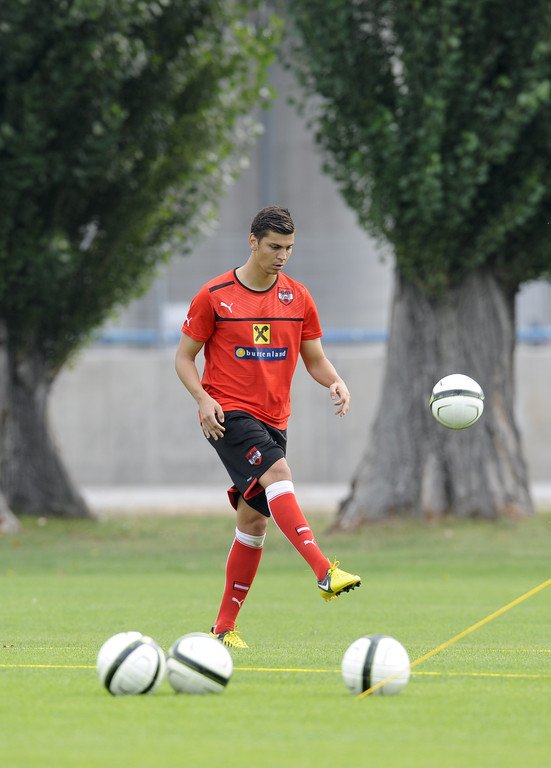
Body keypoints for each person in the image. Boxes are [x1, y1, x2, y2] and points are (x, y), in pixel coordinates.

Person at [175, 205, 361, 649]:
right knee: (279, 473)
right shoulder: (214, 295)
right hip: (228, 415)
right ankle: (324, 571)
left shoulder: (298, 297)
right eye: (275, 246)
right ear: (253, 241)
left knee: (254, 522)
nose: (282, 256)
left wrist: (335, 381)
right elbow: (184, 357)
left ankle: (223, 629)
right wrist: (203, 399)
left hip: (276, 420)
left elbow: (314, 358)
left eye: (289, 248)